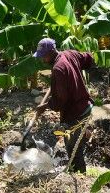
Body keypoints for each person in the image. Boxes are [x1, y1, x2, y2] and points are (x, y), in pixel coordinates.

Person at [33, 37, 94, 173]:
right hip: (85, 105)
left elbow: (60, 101)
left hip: (76, 112)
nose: (42, 60)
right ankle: (84, 136)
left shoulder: (58, 69)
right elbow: (88, 58)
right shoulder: (69, 53)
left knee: (73, 149)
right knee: (77, 141)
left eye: (44, 56)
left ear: (51, 52)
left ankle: (79, 175)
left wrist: (45, 106)